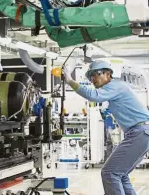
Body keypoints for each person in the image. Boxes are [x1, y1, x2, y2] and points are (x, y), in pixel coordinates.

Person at [63, 60, 149, 195]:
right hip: (141, 133)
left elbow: (93, 95)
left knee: (109, 172)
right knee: (121, 174)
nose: (92, 79)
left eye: (95, 75)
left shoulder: (116, 85)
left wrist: (69, 80)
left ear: (107, 74)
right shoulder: (116, 88)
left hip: (139, 132)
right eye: (90, 76)